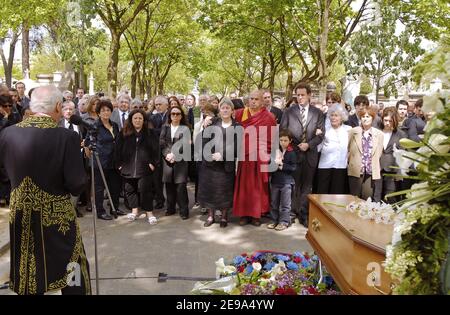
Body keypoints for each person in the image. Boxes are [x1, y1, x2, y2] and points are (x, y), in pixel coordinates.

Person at [0, 85, 91, 295]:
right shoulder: (66, 137)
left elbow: (4, 175)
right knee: (71, 264)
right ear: (58, 107)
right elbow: (76, 184)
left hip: (21, 213)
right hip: (57, 217)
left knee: (28, 265)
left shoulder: (7, 134)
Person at [280, 82, 325, 227]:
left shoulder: (317, 113)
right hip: (294, 154)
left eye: (302, 95)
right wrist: (293, 144)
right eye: (298, 95)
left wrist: (309, 145)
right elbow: (283, 132)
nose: (300, 98)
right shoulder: (289, 112)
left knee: (307, 186)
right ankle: (292, 213)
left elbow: (321, 135)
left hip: (310, 155)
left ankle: (304, 214)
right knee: (293, 185)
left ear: (309, 95)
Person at [233, 89, 277, 226]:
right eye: (251, 99)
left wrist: (267, 154)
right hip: (244, 155)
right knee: (244, 186)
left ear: (262, 101)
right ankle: (244, 214)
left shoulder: (268, 116)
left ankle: (256, 215)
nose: (253, 101)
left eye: (256, 99)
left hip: (259, 156)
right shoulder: (241, 114)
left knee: (257, 187)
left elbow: (272, 137)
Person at [198, 98, 239, 228]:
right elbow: (204, 140)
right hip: (210, 166)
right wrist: (209, 154)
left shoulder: (238, 127)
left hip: (226, 166)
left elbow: (238, 146)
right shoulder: (212, 123)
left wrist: (223, 155)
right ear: (219, 110)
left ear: (232, 110)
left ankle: (224, 216)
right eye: (223, 108)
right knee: (210, 190)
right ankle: (210, 216)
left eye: (228, 108)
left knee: (225, 191)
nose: (225, 110)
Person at [84, 100, 126, 220]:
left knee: (115, 186)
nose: (106, 112)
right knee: (99, 188)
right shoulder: (95, 126)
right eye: (103, 110)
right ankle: (100, 212)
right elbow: (87, 144)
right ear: (98, 113)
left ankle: (115, 208)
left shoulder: (115, 125)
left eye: (108, 110)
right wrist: (91, 158)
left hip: (114, 162)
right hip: (100, 162)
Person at [116, 109, 159, 224]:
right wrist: (119, 165)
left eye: (140, 118)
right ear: (131, 120)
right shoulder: (123, 133)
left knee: (146, 190)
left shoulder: (150, 133)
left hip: (144, 167)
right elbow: (117, 150)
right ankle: (134, 211)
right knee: (129, 190)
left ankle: (149, 213)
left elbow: (156, 150)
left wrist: (153, 164)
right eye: (135, 118)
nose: (138, 120)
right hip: (127, 167)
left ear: (144, 120)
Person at [160, 105, 191, 220]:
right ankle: (170, 208)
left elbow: (185, 144)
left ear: (181, 116)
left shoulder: (185, 128)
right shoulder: (165, 127)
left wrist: (174, 154)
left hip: (181, 160)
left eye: (178, 114)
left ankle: (184, 210)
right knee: (169, 186)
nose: (175, 116)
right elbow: (162, 142)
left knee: (180, 186)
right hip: (167, 160)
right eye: (173, 114)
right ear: (170, 115)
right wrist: (167, 154)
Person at [348, 106, 384, 201]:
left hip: (370, 171)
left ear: (372, 118)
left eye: (368, 116)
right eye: (363, 116)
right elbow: (348, 149)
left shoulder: (379, 134)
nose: (365, 119)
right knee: (354, 198)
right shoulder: (353, 131)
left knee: (367, 197)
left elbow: (379, 152)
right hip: (356, 169)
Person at [58, 100, 85, 218]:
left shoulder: (80, 124)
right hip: (61, 159)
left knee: (76, 183)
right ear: (61, 110)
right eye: (66, 109)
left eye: (71, 109)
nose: (68, 111)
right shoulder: (57, 123)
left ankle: (73, 207)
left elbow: (85, 137)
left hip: (78, 158)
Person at [317, 104, 351, 194]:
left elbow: (351, 148)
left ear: (342, 117)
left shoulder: (348, 130)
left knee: (337, 193)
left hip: (340, 165)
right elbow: (318, 148)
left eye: (336, 115)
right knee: (322, 192)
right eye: (331, 115)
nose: (333, 118)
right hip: (325, 165)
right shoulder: (324, 130)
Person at [267, 129, 297, 231]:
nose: (283, 142)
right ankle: (274, 220)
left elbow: (293, 167)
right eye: (281, 140)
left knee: (285, 204)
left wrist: (282, 165)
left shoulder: (291, 152)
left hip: (287, 182)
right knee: (274, 202)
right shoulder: (275, 151)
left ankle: (284, 222)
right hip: (275, 181)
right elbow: (269, 164)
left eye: (285, 140)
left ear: (290, 141)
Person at [380, 107, 406, 203]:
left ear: (394, 121)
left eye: (390, 121)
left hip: (392, 171)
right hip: (377, 168)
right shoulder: (377, 131)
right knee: (376, 197)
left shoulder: (400, 134)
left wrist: (399, 173)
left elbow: (401, 155)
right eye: (385, 120)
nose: (387, 123)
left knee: (390, 198)